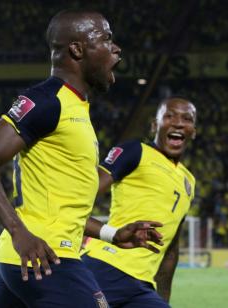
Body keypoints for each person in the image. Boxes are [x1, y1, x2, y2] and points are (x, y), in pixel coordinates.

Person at [0, 9, 162, 308]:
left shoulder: (75, 107)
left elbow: (64, 210)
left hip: (26, 259)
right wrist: (19, 232)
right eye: (106, 38)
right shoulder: (48, 100)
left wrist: (112, 234)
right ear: (77, 49)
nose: (116, 47)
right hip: (47, 257)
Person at [82, 97, 197, 307]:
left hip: (142, 287)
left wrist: (162, 300)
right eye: (169, 116)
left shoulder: (189, 180)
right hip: (105, 267)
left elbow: (170, 249)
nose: (179, 123)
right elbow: (81, 195)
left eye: (187, 118)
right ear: (155, 125)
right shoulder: (135, 151)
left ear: (193, 131)